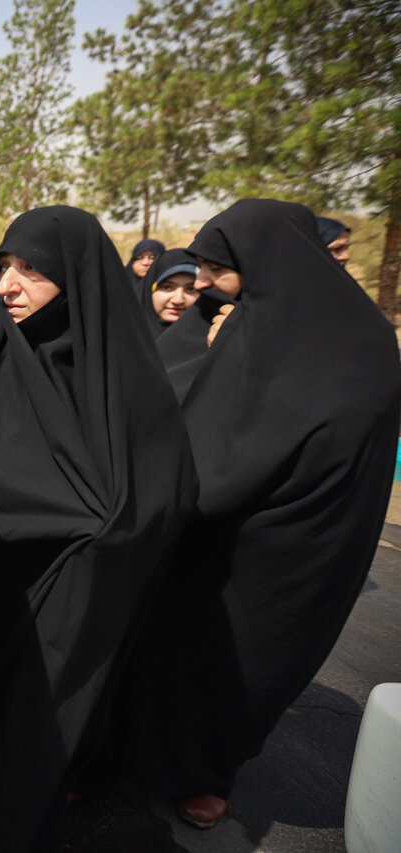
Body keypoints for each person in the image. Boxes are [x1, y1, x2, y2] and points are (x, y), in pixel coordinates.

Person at [0, 205, 197, 851]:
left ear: (76, 279)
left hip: (58, 624)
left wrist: (97, 539)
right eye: (5, 266)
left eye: (31, 270)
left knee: (14, 773)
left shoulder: (124, 380)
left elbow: (162, 493)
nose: (7, 285)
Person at [117, 199, 401, 830]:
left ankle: (209, 774)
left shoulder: (359, 337)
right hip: (216, 530)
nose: (204, 282)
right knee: (173, 647)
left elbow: (318, 428)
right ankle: (131, 753)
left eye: (217, 267)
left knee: (251, 665)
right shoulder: (234, 318)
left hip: (302, 539)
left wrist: (237, 356)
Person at [140, 248, 199, 335]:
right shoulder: (127, 334)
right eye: (167, 287)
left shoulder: (213, 338)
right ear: (149, 291)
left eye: (190, 289)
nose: (178, 300)